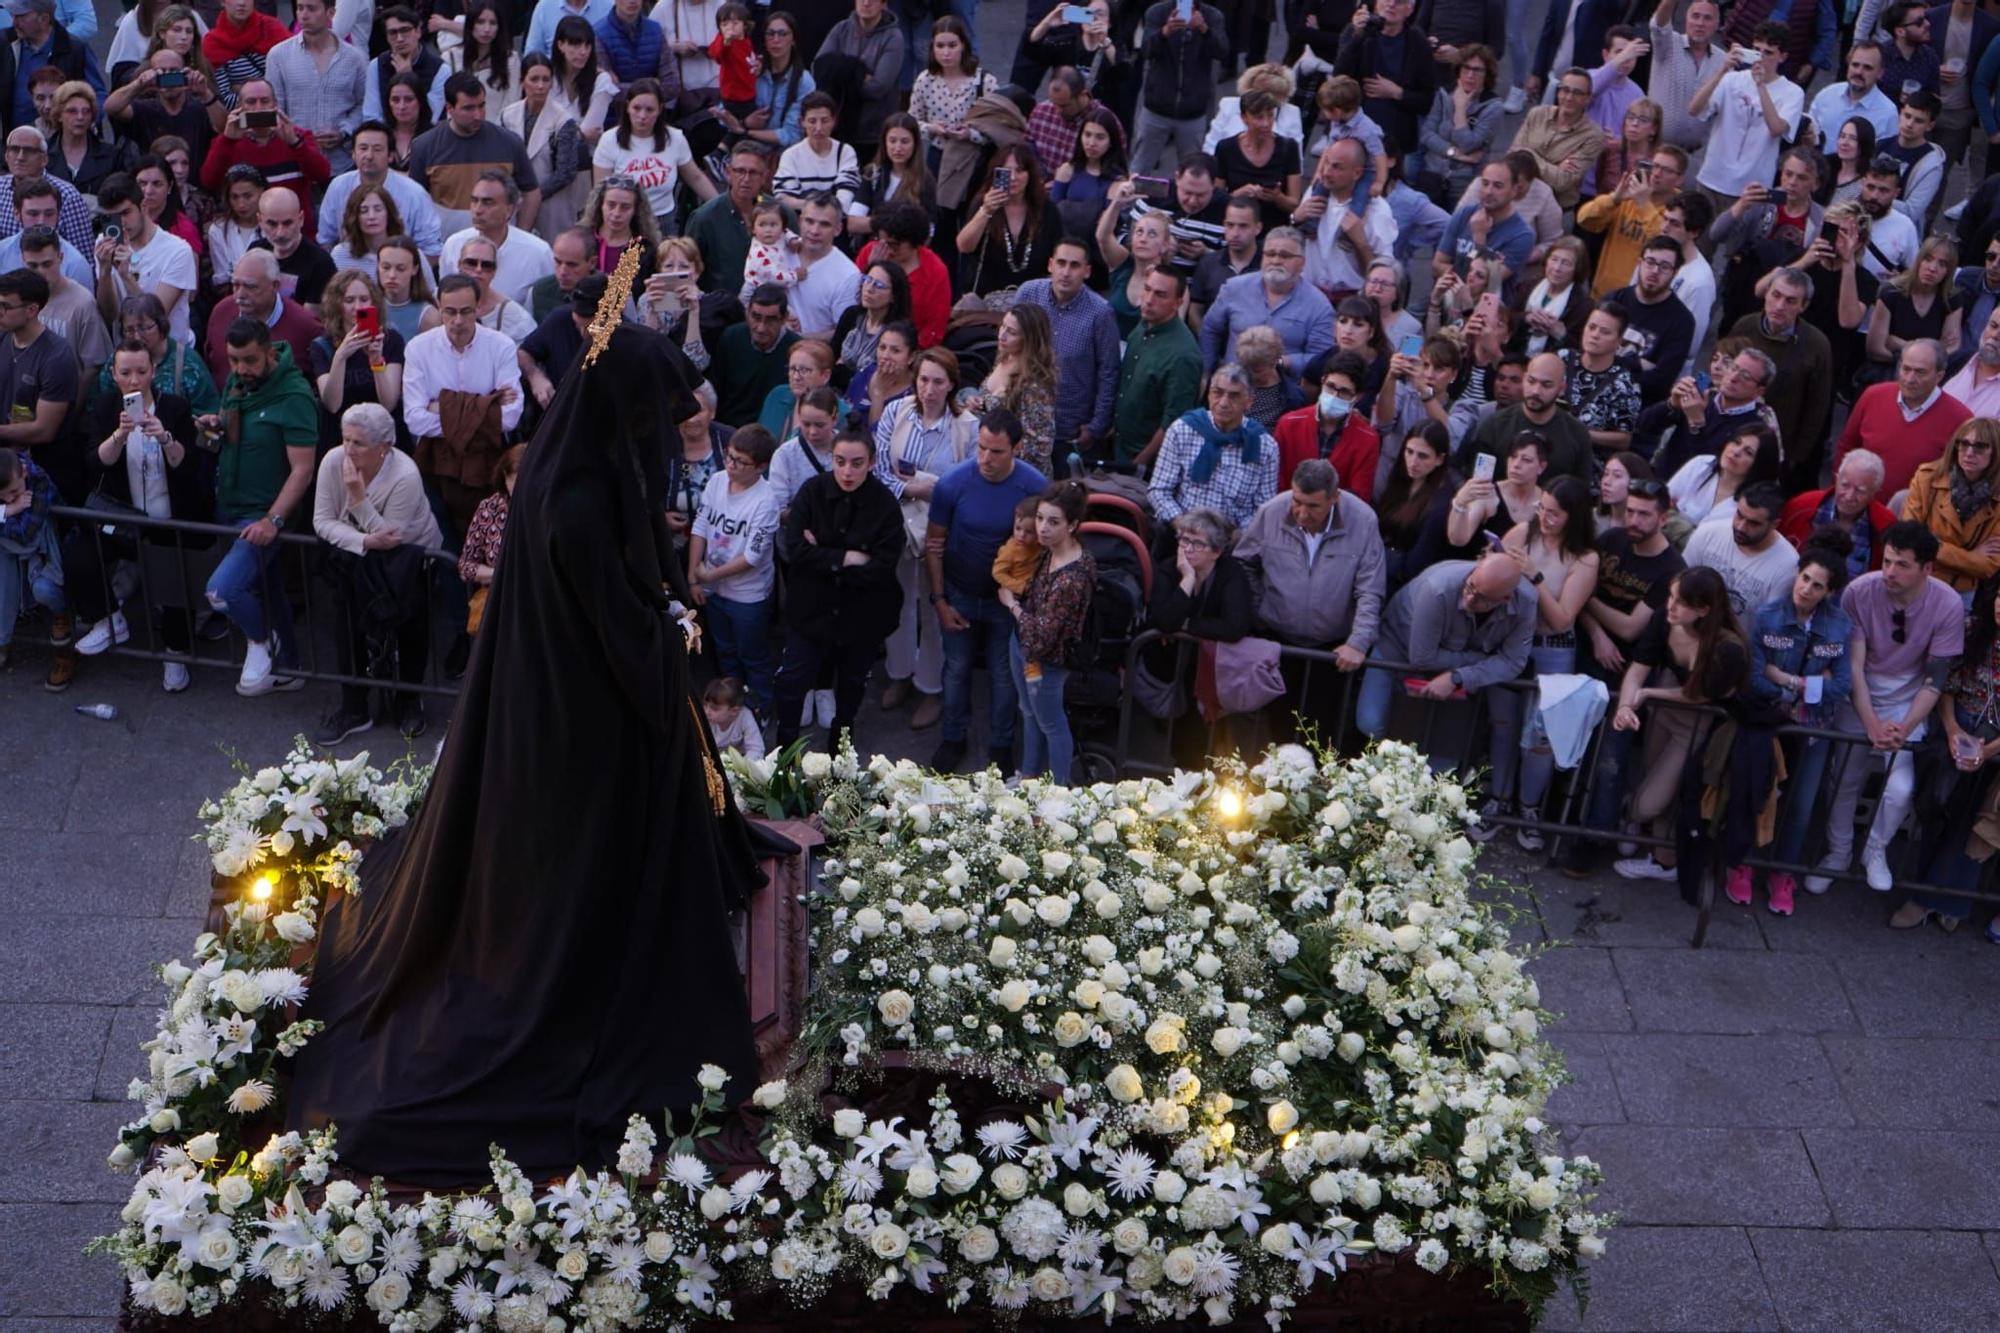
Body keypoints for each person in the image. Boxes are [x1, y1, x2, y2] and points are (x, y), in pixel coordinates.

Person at [289, 318, 763, 1187]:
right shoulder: (579, 499)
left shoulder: (579, 467)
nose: (666, 434)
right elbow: (619, 633)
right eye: (655, 416)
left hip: (571, 708)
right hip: (576, 730)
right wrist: (674, 634)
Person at [1809, 521, 1965, 893]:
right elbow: (1854, 664)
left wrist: (1903, 728)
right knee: (1844, 778)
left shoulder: (1948, 604)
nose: (1890, 572)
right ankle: (1838, 852)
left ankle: (1875, 850)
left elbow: (1935, 678)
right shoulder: (1860, 592)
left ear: (1926, 568)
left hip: (1908, 700)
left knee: (1900, 789)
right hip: (1859, 692)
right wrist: (1871, 722)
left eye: (1902, 565)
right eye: (1888, 560)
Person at [1603, 566, 1766, 889]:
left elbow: (1700, 694)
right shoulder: (1665, 620)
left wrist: (1646, 694)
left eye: (1680, 601)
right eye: (1671, 596)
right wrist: (1625, 705)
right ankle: (1661, 856)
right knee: (1654, 782)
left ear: (1704, 610)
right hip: (1663, 712)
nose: (1671, 606)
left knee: (1652, 800)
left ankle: (1633, 817)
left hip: (1695, 721)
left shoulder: (1728, 648)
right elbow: (1639, 667)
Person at [66, 336, 207, 690]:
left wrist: (164, 438)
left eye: (141, 371)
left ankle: (175, 655)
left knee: (172, 585)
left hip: (166, 515)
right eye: (125, 372)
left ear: (153, 371)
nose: (134, 380)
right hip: (122, 514)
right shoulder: (104, 407)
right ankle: (109, 620)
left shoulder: (173, 407)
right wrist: (119, 435)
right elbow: (94, 462)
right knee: (79, 559)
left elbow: (188, 465)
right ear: (113, 374)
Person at [310, 402, 443, 742]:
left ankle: (409, 702)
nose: (348, 450)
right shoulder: (331, 461)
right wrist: (364, 539)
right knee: (347, 626)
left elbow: (392, 538)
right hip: (358, 554)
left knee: (411, 627)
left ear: (385, 447)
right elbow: (322, 520)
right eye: (345, 440)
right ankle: (354, 708)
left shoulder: (406, 475)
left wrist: (357, 498)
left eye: (359, 443)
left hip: (410, 559)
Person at [199, 317, 317, 695]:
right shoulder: (237, 383)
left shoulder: (295, 395)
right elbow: (229, 437)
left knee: (223, 590)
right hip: (230, 504)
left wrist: (273, 520)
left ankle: (261, 644)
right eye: (233, 360)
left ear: (270, 352)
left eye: (248, 360)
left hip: (263, 514)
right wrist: (216, 426)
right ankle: (290, 665)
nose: (239, 370)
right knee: (267, 587)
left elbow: (302, 470)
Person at [926, 408, 1049, 772]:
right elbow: (934, 545)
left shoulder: (1034, 487)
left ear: (1017, 448)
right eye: (980, 448)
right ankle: (952, 738)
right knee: (957, 669)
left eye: (996, 451)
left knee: (1004, 675)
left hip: (1007, 602)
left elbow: (1047, 548)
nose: (985, 459)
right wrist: (939, 601)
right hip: (960, 593)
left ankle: (1001, 747)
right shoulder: (952, 483)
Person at [773, 423, 902, 747]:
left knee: (851, 687)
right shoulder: (812, 492)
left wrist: (822, 553)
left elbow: (882, 567)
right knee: (792, 682)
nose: (847, 471)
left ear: (871, 462)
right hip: (811, 612)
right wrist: (849, 558)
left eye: (857, 463)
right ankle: (784, 751)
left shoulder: (884, 504)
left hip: (861, 617)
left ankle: (839, 754)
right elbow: (795, 549)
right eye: (840, 461)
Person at [873, 346, 976, 731]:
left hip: (941, 528)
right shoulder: (895, 412)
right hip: (898, 522)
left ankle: (931, 687)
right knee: (897, 602)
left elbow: (965, 483)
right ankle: (899, 673)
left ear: (951, 385)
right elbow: (880, 470)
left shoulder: (967, 426)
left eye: (937, 381)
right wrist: (918, 489)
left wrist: (925, 488)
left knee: (934, 606)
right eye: (923, 380)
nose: (929, 389)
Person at [1355, 548, 1535, 744]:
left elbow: (1514, 663)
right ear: (1476, 567)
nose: (1469, 599)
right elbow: (1422, 658)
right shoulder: (1438, 589)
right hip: (1397, 648)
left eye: (1482, 597)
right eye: (1470, 586)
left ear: (1505, 599)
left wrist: (1458, 677)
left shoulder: (1526, 602)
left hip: (1452, 669)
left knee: (1441, 749)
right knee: (1371, 723)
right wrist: (1481, 661)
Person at [403, 273, 525, 539]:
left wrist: (442, 407)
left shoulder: (500, 345)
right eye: (450, 312)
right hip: (437, 463)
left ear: (479, 307)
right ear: (438, 308)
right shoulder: (418, 348)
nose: (458, 321)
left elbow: (511, 417)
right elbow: (414, 419)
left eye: (466, 311)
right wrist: (486, 405)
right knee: (444, 542)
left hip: (488, 459)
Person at [1001, 480, 1096, 783]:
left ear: (1073, 525)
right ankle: (1029, 775)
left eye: (1053, 522)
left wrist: (1012, 605)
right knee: (1028, 713)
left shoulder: (1072, 577)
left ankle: (1058, 795)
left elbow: (1042, 637)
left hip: (1046, 662)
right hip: (1023, 646)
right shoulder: (1048, 552)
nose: (1042, 528)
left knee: (1052, 724)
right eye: (1040, 518)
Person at [689, 424, 779, 717]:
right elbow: (701, 525)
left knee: (752, 656)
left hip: (747, 597)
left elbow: (752, 557)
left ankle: (761, 708)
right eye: (729, 457)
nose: (731, 465)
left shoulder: (765, 502)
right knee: (725, 653)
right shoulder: (716, 481)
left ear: (761, 466)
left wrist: (708, 576)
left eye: (741, 462)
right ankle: (733, 706)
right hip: (714, 590)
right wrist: (693, 575)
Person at [1013, 237, 1118, 464]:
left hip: (1070, 430)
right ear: (1050, 265)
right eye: (1061, 263)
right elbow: (1007, 350)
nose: (1066, 272)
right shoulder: (1028, 295)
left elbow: (1109, 372)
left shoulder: (1100, 313)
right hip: (1022, 422)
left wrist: (1096, 426)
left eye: (1074, 265)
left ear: (1087, 271)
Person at [1727, 266, 1835, 478]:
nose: (1779, 306)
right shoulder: (1744, 326)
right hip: (1731, 436)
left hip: (1775, 450)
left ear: (1803, 306)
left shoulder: (1817, 345)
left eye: (1790, 301)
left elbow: (1817, 408)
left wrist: (1796, 457)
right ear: (1766, 293)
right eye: (1776, 295)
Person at [407, 73, 542, 239]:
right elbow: (415, 201)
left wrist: (521, 235)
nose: (478, 115)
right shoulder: (424, 147)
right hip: (445, 248)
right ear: (449, 108)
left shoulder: (510, 143)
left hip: (499, 246)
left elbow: (531, 192)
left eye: (481, 106)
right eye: (468, 108)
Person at [1148, 364, 1279, 534]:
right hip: (1181, 534)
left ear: (1249, 402)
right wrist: (1185, 528)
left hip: (1233, 542)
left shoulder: (1265, 446)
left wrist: (1236, 537)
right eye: (1218, 393)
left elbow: (1263, 510)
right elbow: (1158, 491)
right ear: (1209, 394)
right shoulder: (1182, 430)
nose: (1223, 403)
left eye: (1234, 396)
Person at [1835, 337, 1972, 496]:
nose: (1910, 379)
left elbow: (1960, 477)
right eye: (1906, 369)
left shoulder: (1960, 419)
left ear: (1939, 376)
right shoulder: (1873, 396)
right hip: (1860, 508)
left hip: (1914, 516)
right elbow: (1846, 446)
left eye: (1920, 372)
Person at [1690, 22, 1806, 208]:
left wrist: (1760, 86)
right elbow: (1694, 109)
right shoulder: (1732, 79)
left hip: (1751, 189)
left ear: (1782, 57)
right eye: (1757, 50)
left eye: (1768, 53)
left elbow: (1777, 129)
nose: (1761, 58)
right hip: (1712, 177)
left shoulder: (1793, 92)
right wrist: (1722, 70)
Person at [198, 78, 332, 233]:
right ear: (240, 107)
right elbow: (209, 181)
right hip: (246, 234)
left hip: (294, 232)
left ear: (275, 104)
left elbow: (322, 174)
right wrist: (227, 141)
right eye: (251, 102)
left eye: (264, 101)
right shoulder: (228, 142)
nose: (258, 108)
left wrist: (295, 143)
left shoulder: (297, 136)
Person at [1198, 226, 1334, 375]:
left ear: (1302, 262)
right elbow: (1210, 329)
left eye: (1285, 256)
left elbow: (1323, 358)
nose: (1276, 261)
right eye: (1270, 254)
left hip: (1283, 391)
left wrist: (1282, 362)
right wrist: (1206, 372)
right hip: (1233, 385)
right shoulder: (1234, 288)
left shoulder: (1319, 305)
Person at [1111, 266, 1202, 469]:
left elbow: (1174, 421)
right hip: (1119, 445)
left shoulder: (1183, 355)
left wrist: (1140, 463)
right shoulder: (1143, 325)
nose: (1149, 299)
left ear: (1178, 303)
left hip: (1147, 462)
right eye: (1147, 289)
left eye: (1160, 295)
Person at [589, 80, 710, 231]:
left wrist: (721, 206)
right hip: (627, 223)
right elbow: (600, 190)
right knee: (631, 256)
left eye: (649, 110)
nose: (642, 116)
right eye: (637, 108)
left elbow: (695, 177)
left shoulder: (675, 138)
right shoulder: (609, 140)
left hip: (664, 221)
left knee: (668, 254)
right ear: (627, 107)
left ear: (659, 110)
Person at [262, 0, 365, 176]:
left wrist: (344, 131)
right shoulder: (279, 55)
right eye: (300, 8)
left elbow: (363, 104)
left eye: (312, 8)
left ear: (330, 13)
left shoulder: (354, 58)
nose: (304, 14)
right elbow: (273, 107)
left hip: (342, 162)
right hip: (295, 162)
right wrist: (295, 137)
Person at [0, 267, 77, 499]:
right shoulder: (3, 337)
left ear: (31, 309)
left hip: (40, 473)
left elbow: (44, 430)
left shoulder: (56, 356)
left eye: (6, 306)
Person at [1459, 353, 1593, 483]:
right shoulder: (1495, 425)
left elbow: (1579, 492)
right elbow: (1477, 483)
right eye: (1531, 381)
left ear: (1561, 388)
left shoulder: (1576, 434)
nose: (1536, 391)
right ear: (1524, 379)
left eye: (1546, 385)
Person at [1900, 416, 2000, 592]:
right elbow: (1908, 538)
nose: (1969, 452)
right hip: (1916, 581)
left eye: (1980, 447)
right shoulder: (1928, 478)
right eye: (1964, 444)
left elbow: (1988, 565)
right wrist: (1969, 557)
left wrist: (1932, 545)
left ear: (1996, 452)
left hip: (1961, 592)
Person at [1577, 146, 1687, 301]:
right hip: (1603, 293)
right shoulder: (1629, 197)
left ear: (1680, 179)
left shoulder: (1680, 210)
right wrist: (1614, 198)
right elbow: (1584, 220)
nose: (1657, 174)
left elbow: (1665, 245)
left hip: (1638, 300)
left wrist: (1644, 205)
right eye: (1654, 166)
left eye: (1666, 170)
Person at [960, 305, 1057, 477]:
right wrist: (979, 403)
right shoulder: (1004, 357)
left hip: (1018, 475)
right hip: (987, 462)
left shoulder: (1035, 384)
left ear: (1029, 339)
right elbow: (994, 405)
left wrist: (1002, 453)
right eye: (1002, 326)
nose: (1002, 335)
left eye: (1011, 332)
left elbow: (1040, 446)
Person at [1131, 0, 1228, 171]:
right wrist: (1164, 32)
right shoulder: (1157, 12)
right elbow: (1146, 51)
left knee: (1192, 171)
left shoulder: (1213, 16)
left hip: (1193, 112)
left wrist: (1204, 29)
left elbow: (1222, 51)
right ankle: (1136, 198)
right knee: (1140, 169)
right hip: (1156, 109)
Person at [502, 56, 590, 241]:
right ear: (522, 82)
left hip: (552, 204)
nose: (540, 86)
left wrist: (533, 196)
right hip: (514, 200)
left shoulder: (564, 120)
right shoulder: (508, 115)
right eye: (534, 79)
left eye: (546, 79)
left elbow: (565, 171)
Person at [0, 445, 67, 683]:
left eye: (14, 491)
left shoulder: (39, 481)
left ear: (24, 472)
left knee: (44, 590)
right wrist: (7, 511)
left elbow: (25, 534)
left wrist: (4, 514)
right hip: (14, 552)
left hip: (47, 553)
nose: (11, 498)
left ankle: (63, 621)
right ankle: (2, 642)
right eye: (4, 495)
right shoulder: (10, 494)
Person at [1274, 351, 1380, 499]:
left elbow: (1359, 496)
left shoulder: (1368, 439)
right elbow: (1277, 481)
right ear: (1322, 381)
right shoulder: (1289, 424)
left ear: (1358, 397)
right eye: (1331, 386)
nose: (1334, 396)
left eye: (1344, 392)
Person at [442, 170, 556, 306]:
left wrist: (589, 328)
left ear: (509, 210)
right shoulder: (454, 244)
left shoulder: (538, 252)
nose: (478, 210)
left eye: (487, 203)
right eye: (474, 201)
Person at [311, 269, 404, 435]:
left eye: (364, 299)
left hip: (381, 433)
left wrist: (376, 361)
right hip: (340, 435)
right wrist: (340, 356)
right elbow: (332, 404)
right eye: (349, 300)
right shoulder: (321, 346)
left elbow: (389, 403)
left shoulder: (391, 340)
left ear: (373, 302)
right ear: (337, 304)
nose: (358, 307)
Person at [1779, 448, 1896, 578]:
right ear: (1836, 478)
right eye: (1845, 485)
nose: (1849, 496)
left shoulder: (1885, 525)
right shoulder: (1800, 507)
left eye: (1860, 491)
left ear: (1874, 493)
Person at [855, 198, 949, 349]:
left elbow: (934, 326)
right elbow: (854, 302)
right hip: (862, 341)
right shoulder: (870, 252)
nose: (886, 248)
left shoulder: (935, 270)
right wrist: (872, 268)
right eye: (881, 240)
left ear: (915, 243)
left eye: (894, 244)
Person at [16, 224, 103, 382]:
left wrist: (74, 405)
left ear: (60, 258)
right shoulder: (16, 300)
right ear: (23, 260)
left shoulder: (82, 302)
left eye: (47, 264)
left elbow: (93, 367)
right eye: (33, 266)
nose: (41, 272)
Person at [1866, 236, 1965, 375]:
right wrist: (1928, 355)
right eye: (1928, 259)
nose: (1932, 268)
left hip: (1927, 376)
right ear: (1918, 260)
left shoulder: (1952, 298)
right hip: (1886, 371)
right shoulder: (1891, 292)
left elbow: (1950, 348)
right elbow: (1875, 350)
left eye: (1942, 264)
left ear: (1949, 272)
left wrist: (1900, 344)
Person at [1418, 44, 1504, 202]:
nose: (1470, 75)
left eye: (1477, 70)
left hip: (1464, 181)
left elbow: (1468, 145)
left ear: (1487, 75)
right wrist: (1454, 153)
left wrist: (1459, 108)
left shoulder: (1493, 107)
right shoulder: (1444, 93)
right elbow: (1427, 134)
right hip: (1432, 173)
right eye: (1466, 68)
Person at [820, 0, 906, 155]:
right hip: (838, 127)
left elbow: (877, 88)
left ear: (883, 3)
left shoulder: (893, 37)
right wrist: (859, 73)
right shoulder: (841, 29)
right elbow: (819, 69)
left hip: (873, 132)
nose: (866, 3)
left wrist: (841, 75)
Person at [1513, 67, 1605, 211]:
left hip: (1556, 208)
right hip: (1519, 198)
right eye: (1565, 90)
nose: (1569, 97)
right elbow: (1512, 159)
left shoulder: (1593, 136)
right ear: (1558, 91)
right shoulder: (1537, 114)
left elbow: (1562, 182)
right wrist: (1553, 167)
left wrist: (1528, 154)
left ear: (1588, 98)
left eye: (1577, 93)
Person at [1558, 302, 1643, 455]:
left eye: (1604, 332)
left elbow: (1624, 439)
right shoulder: (1561, 359)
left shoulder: (1623, 384)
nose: (1595, 335)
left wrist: (1581, 433)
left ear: (1619, 341)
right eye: (1591, 327)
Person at [1667, 422, 1782, 532]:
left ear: (1760, 464)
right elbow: (1662, 504)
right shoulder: (1700, 464)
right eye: (1736, 442)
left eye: (1748, 452)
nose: (1736, 452)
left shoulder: (1757, 500)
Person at [710, 283, 796, 428]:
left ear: (784, 318)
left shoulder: (795, 349)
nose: (761, 327)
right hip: (727, 426)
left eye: (771, 320)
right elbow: (716, 386)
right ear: (747, 312)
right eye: (756, 317)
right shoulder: (731, 337)